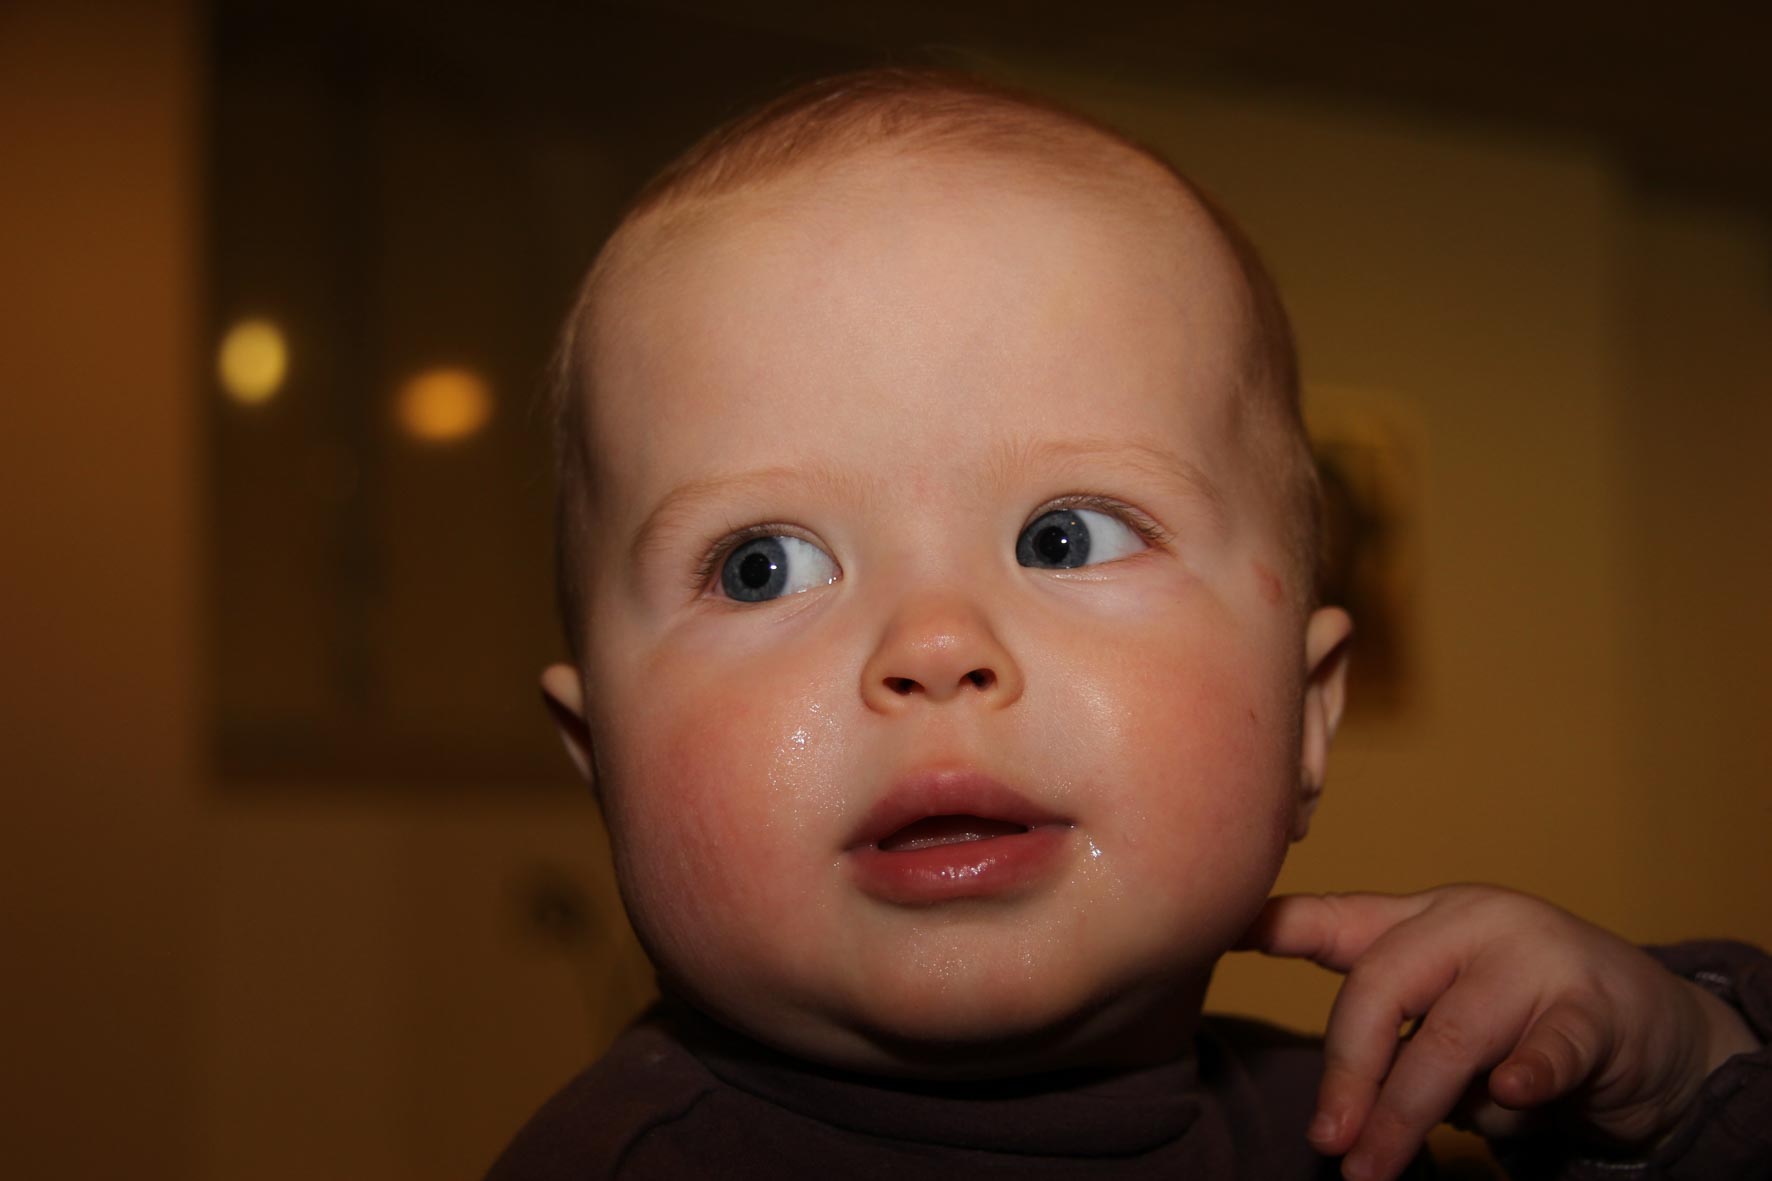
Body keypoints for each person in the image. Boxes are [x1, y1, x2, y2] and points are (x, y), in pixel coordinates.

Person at [492, 69, 1770, 1179]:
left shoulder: (1381, 1129)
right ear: (599, 757)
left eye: (1066, 536)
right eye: (762, 566)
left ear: (1306, 717)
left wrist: (1685, 1084)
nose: (933, 645)